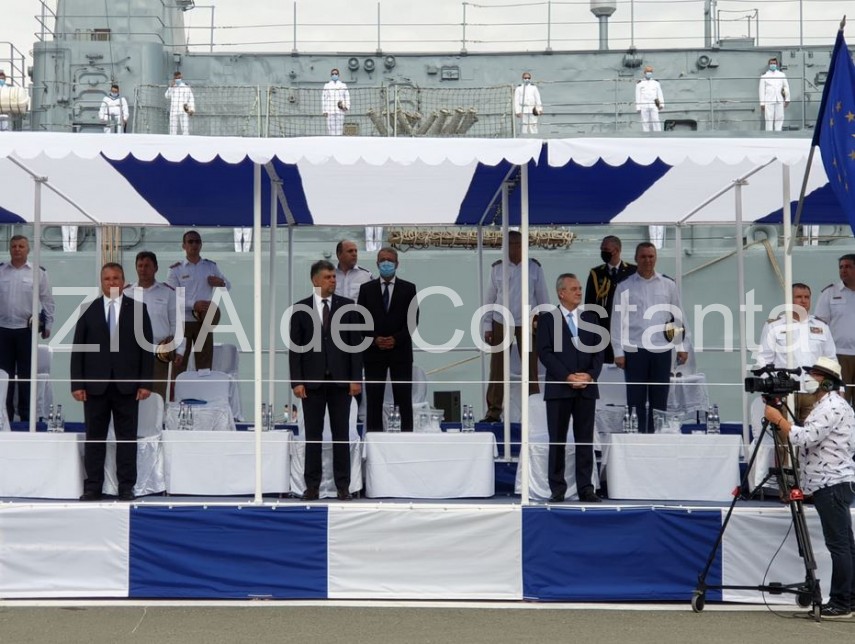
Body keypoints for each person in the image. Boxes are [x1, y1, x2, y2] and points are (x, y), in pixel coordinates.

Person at [764, 357, 855, 619]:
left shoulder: (831, 406)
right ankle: (848, 599)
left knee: (839, 546)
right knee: (845, 545)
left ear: (826, 382)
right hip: (832, 481)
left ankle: (841, 602)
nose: (808, 379)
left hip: (831, 483)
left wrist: (778, 420)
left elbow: (804, 438)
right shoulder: (831, 405)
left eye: (814, 375)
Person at [71, 263, 153, 501]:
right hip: (94, 386)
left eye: (116, 278)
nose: (112, 282)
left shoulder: (138, 310)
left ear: (123, 281)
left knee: (126, 439)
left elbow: (146, 349)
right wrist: (77, 384)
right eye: (107, 278)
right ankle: (93, 487)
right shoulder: (88, 310)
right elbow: (78, 349)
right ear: (101, 282)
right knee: (94, 438)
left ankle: (126, 487)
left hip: (128, 385)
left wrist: (146, 383)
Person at [289, 260, 362, 501]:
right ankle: (312, 486)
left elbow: (355, 346)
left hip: (341, 383)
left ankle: (343, 486)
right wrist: (297, 382)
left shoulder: (348, 307)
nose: (333, 280)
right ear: (315, 280)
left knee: (342, 435)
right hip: (312, 383)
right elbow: (295, 349)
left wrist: (355, 379)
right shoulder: (300, 309)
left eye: (334, 277)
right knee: (313, 436)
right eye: (328, 277)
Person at [537, 274, 605, 503]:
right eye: (574, 289)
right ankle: (557, 489)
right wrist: (566, 376)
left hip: (586, 387)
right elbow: (545, 352)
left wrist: (590, 375)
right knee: (557, 440)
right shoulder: (548, 319)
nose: (579, 292)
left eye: (579, 288)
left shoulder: (591, 318)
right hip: (559, 388)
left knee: (584, 439)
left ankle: (586, 488)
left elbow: (599, 351)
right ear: (561, 293)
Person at [612, 242, 687, 433]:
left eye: (651, 256)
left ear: (656, 258)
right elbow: (617, 320)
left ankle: (657, 437)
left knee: (659, 398)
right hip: (634, 348)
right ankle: (636, 437)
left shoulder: (668, 285)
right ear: (636, 258)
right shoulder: (624, 286)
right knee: (635, 399)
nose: (647, 260)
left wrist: (681, 346)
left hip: (661, 349)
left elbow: (677, 317)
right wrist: (618, 351)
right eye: (643, 256)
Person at [481, 230, 550, 423]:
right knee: (497, 369)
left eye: (518, 244)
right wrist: (486, 325)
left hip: (527, 322)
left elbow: (543, 297)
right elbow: (489, 299)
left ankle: (533, 412)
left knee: (531, 369)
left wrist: (545, 325)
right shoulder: (497, 268)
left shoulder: (534, 268)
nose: (514, 248)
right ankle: (493, 412)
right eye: (510, 244)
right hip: (501, 321)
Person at [357, 247, 418, 432]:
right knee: (374, 399)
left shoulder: (409, 289)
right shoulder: (366, 289)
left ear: (397, 264)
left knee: (403, 398)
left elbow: (413, 320)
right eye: (382, 260)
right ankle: (374, 437)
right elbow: (360, 319)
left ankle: (406, 436)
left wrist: (396, 339)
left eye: (390, 260)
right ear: (377, 264)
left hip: (400, 351)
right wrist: (375, 338)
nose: (386, 263)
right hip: (373, 352)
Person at [756, 283, 836, 422]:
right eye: (799, 297)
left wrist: (835, 388)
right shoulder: (774, 326)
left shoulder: (821, 326)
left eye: (807, 297)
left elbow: (831, 359)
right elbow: (764, 360)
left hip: (815, 392)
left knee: (814, 434)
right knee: (785, 434)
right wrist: (771, 388)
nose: (803, 301)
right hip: (785, 393)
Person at [0, 235, 55, 422]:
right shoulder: (1, 271)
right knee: (4, 377)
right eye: (14, 246)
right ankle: (4, 417)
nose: (17, 249)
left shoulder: (38, 273)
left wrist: (48, 324)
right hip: (3, 330)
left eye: (21, 246)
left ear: (28, 250)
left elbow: (47, 300)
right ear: (9, 249)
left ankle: (26, 419)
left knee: (26, 378)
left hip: (26, 331)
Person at [166, 231, 231, 376]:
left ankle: (204, 389)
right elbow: (172, 296)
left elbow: (228, 286)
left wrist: (221, 283)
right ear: (184, 246)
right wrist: (193, 304)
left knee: (204, 366)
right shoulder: (176, 270)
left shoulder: (210, 266)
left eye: (197, 241)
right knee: (179, 364)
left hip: (204, 322)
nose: (194, 244)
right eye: (190, 241)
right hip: (183, 322)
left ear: (201, 245)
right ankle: (176, 390)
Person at [124, 251, 183, 403]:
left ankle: (158, 419)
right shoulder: (126, 293)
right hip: (131, 353)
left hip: (158, 353)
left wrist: (179, 350)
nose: (143, 269)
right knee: (130, 396)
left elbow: (176, 323)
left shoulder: (167, 293)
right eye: (140, 266)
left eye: (147, 266)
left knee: (157, 397)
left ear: (156, 268)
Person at [585, 235, 637, 364]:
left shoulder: (633, 271)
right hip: (604, 327)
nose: (603, 252)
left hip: (628, 327)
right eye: (602, 249)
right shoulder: (596, 273)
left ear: (617, 250)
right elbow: (590, 304)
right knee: (605, 364)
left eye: (606, 249)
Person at [815, 254, 855, 404]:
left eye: (848, 266)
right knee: (839, 400)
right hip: (839, 355)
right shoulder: (830, 293)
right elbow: (819, 325)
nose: (843, 270)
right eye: (841, 267)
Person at [759, 57, 790, 132]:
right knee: (769, 118)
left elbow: (786, 87)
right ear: (769, 65)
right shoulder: (764, 76)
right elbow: (761, 90)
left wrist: (787, 99)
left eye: (774, 63)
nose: (773, 65)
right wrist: (762, 103)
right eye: (771, 63)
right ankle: (769, 134)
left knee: (780, 117)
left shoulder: (781, 75)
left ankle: (778, 133)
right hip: (768, 100)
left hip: (779, 99)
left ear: (777, 64)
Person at [635, 65, 664, 133]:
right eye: (648, 72)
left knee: (656, 120)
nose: (649, 73)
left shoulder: (656, 83)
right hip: (644, 104)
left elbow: (659, 94)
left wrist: (661, 104)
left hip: (654, 104)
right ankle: (646, 134)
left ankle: (658, 134)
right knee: (645, 121)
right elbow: (638, 95)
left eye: (650, 72)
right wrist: (638, 107)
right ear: (645, 73)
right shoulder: (640, 83)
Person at [165, 71, 195, 136]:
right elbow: (167, 96)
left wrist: (191, 109)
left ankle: (186, 140)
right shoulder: (172, 87)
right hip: (174, 109)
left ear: (181, 77)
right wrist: (171, 87)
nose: (177, 79)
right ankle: (172, 140)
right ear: (174, 78)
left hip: (184, 109)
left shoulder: (186, 87)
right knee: (172, 129)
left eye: (179, 78)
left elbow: (191, 98)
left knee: (185, 128)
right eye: (176, 78)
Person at [322, 68, 350, 136]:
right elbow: (324, 98)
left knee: (339, 127)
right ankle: (331, 140)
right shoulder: (327, 86)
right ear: (331, 75)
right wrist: (324, 110)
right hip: (330, 110)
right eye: (333, 74)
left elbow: (347, 97)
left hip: (340, 110)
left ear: (338, 75)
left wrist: (346, 107)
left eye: (336, 74)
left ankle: (339, 139)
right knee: (330, 128)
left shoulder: (343, 85)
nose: (334, 75)